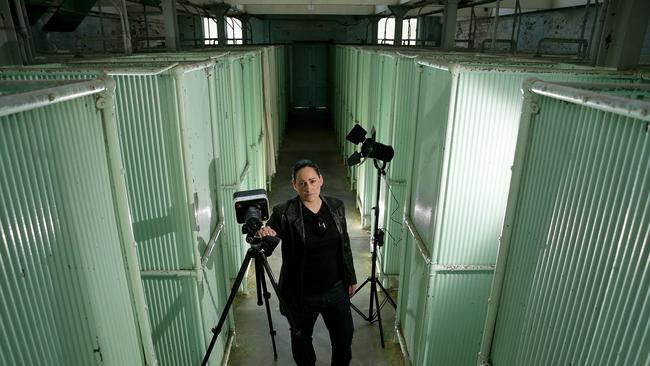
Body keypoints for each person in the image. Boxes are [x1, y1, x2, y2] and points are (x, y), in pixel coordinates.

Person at [256, 159, 357, 366]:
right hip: (302, 294)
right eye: (302, 183)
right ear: (294, 185)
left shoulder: (336, 207)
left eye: (312, 181)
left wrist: (351, 278)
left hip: (336, 288)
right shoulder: (284, 213)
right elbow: (270, 242)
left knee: (344, 337)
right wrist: (264, 234)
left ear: (321, 180)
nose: (308, 187)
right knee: (302, 342)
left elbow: (344, 245)